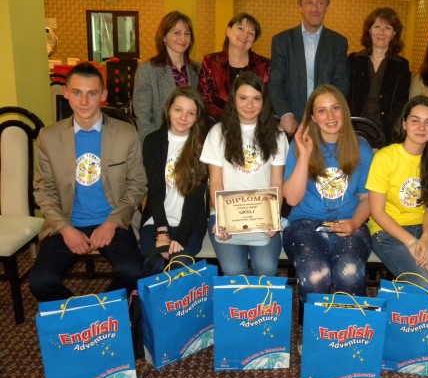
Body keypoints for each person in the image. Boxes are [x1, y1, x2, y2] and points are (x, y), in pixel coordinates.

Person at [29, 62, 146, 302]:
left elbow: (137, 185)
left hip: (113, 220)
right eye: (77, 92)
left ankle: (100, 312)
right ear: (66, 93)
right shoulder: (48, 137)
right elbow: (43, 190)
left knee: (133, 272)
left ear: (103, 95)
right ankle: (87, 312)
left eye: (92, 94)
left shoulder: (126, 134)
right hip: (66, 221)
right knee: (40, 282)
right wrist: (65, 229)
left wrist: (111, 223)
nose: (84, 102)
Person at [283, 85, 373, 320]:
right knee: (315, 274)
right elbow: (292, 198)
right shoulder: (299, 146)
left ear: (344, 110)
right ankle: (316, 333)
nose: (330, 116)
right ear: (313, 117)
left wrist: (354, 223)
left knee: (349, 272)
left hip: (350, 222)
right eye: (321, 111)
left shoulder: (361, 148)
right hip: (304, 223)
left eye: (335, 108)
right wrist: (305, 155)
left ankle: (349, 331)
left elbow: (367, 200)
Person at [366, 96, 428, 287]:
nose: (422, 127)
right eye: (415, 121)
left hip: (423, 227)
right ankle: (426, 304)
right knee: (422, 282)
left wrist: (426, 239)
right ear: (404, 124)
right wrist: (412, 242)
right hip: (387, 231)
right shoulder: (385, 157)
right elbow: (377, 212)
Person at [200, 71, 289, 276]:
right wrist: (223, 220)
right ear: (233, 99)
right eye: (243, 98)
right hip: (225, 214)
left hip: (264, 214)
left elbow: (276, 182)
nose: (250, 105)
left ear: (264, 102)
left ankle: (262, 301)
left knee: (266, 267)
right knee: (234, 269)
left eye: (256, 99)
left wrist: (273, 218)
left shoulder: (277, 134)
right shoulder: (217, 133)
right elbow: (216, 182)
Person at [139, 86, 210, 275]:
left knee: (179, 265)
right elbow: (155, 189)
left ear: (197, 117)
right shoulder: (153, 141)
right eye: (178, 110)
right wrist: (162, 232)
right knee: (153, 264)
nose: (183, 117)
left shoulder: (203, 144)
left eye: (191, 113)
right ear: (168, 109)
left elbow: (196, 196)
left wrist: (181, 237)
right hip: (156, 219)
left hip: (190, 221)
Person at [269, 0, 350, 136]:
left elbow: (341, 83)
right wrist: (285, 114)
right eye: (309, 3)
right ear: (300, 7)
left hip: (326, 124)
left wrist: (329, 115)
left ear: (326, 8)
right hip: (291, 124)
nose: (314, 9)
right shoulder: (281, 41)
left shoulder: (339, 42)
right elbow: (276, 82)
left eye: (320, 3)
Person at [133, 11, 200, 143]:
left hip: (192, 142)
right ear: (164, 37)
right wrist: (155, 147)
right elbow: (144, 120)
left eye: (187, 34)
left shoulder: (198, 70)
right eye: (177, 33)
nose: (183, 39)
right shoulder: (147, 71)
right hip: (160, 143)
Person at [348, 7, 411, 145]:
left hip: (387, 133)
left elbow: (401, 103)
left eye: (387, 28)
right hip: (354, 130)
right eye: (377, 27)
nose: (381, 32)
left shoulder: (402, 66)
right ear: (369, 30)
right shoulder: (353, 61)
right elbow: (346, 97)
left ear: (394, 33)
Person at [197, 12, 270, 122]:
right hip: (217, 125)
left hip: (254, 125)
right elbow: (204, 99)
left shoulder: (264, 65)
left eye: (251, 33)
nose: (245, 35)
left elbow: (268, 101)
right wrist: (229, 122)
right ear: (228, 31)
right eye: (240, 28)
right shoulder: (210, 62)